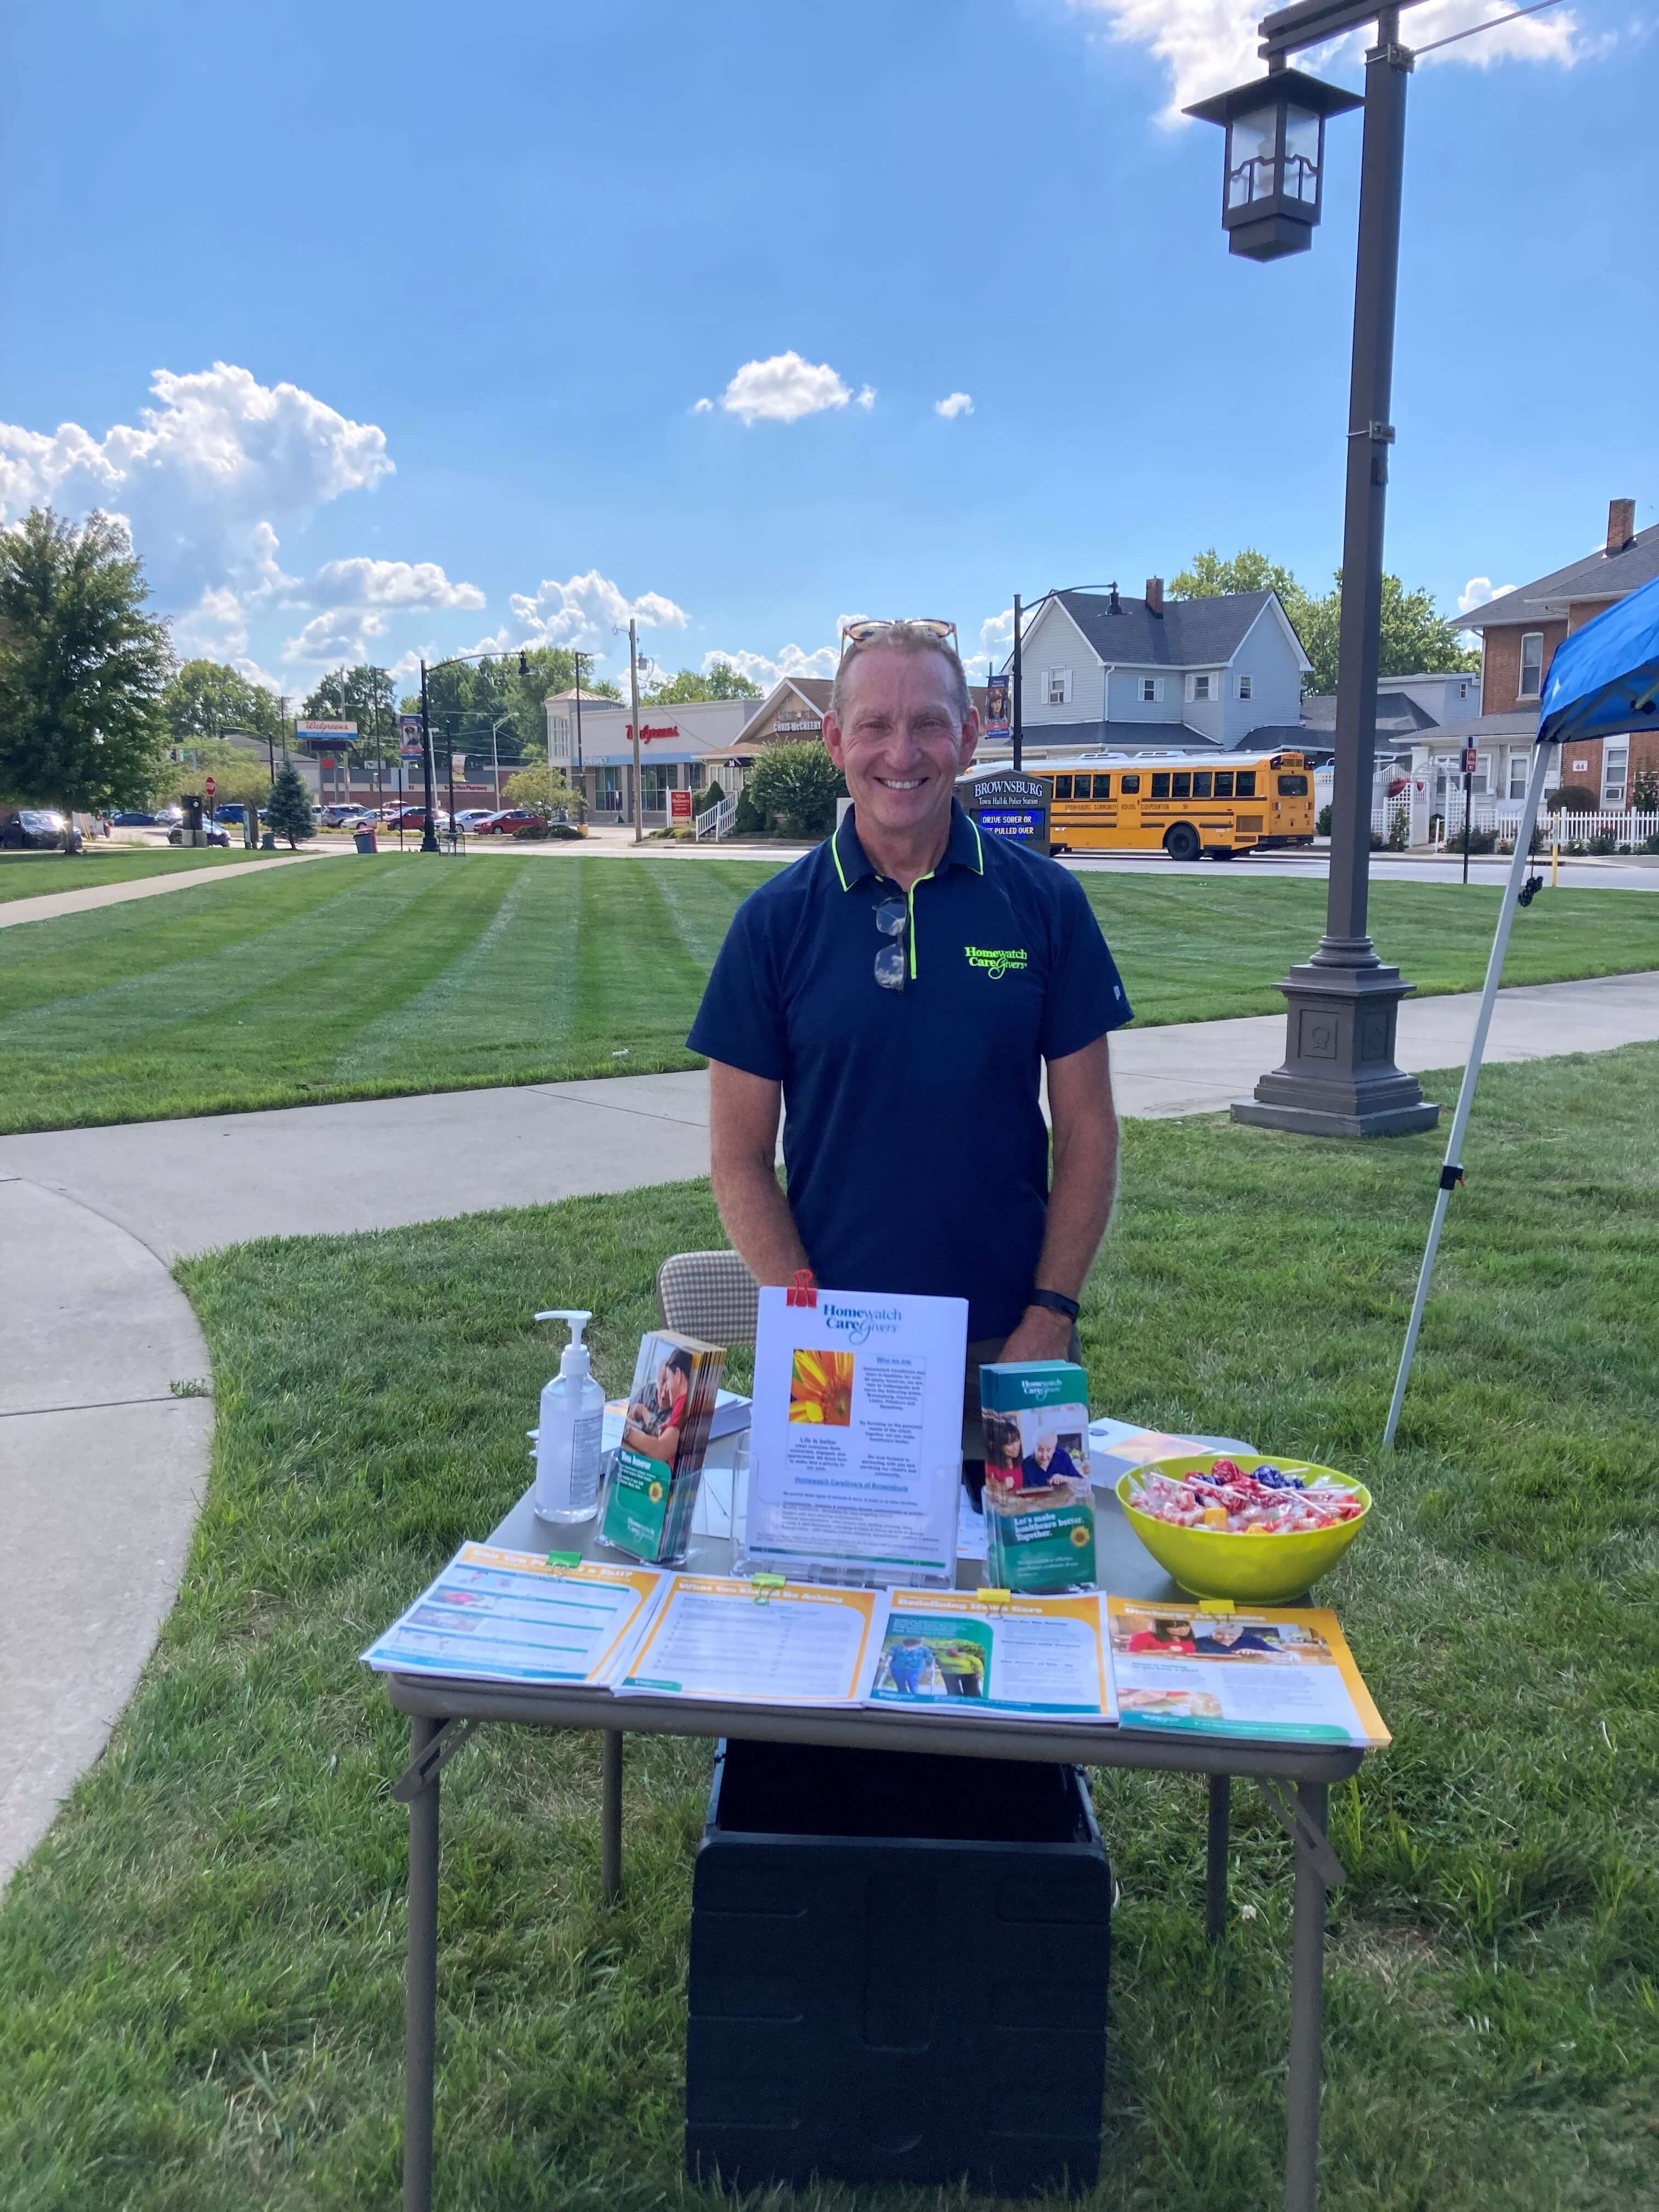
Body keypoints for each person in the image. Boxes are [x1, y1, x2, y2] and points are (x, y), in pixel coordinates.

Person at [687, 620, 1131, 1459]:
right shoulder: (773, 925)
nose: (903, 752)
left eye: (929, 722)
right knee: (838, 1577)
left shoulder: (1045, 904)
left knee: (1028, 1580)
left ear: (968, 736)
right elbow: (738, 1156)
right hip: (838, 1351)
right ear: (834, 741)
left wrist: (1051, 1315)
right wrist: (807, 1316)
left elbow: (1088, 1131)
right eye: (875, 726)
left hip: (1012, 1343)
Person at [622, 1347, 692, 1465]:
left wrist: (626, 1432)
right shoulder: (649, 1391)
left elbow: (661, 1450)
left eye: (668, 1380)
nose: (666, 1390)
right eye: (662, 1382)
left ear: (678, 1375)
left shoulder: (681, 1404)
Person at [1019, 1431, 1084, 1492]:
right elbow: (1024, 1492)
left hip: (1062, 1501)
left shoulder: (1063, 1457)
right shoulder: (1026, 1465)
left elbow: (1082, 1482)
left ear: (1054, 1449)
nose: (1044, 1456)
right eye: (1040, 1450)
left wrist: (1065, 1479)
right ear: (1034, 1448)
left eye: (1049, 1450)